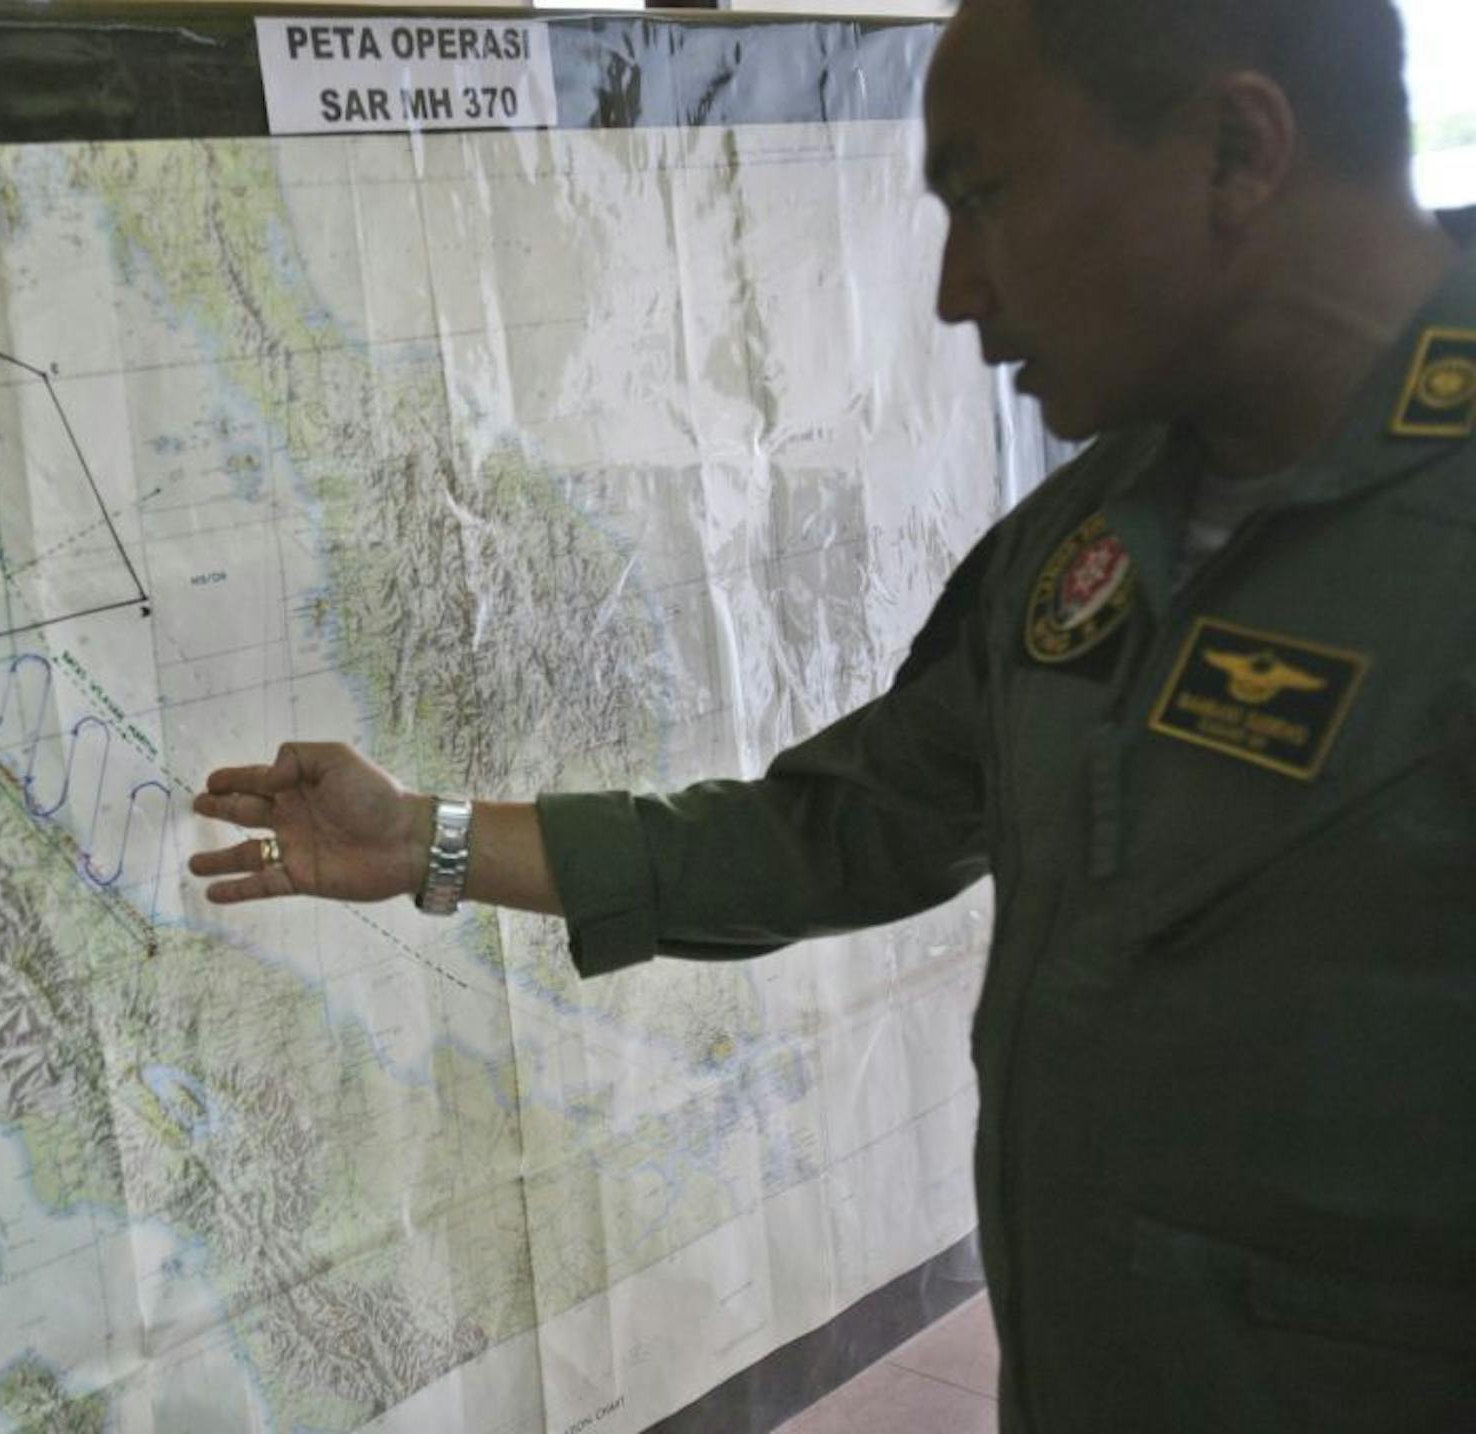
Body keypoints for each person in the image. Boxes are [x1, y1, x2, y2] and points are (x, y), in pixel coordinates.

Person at [189, 0, 1476, 1428]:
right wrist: (424, 839)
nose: (954, 288)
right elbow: (841, 832)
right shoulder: (1086, 539)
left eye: (987, 196)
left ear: (1239, 150)